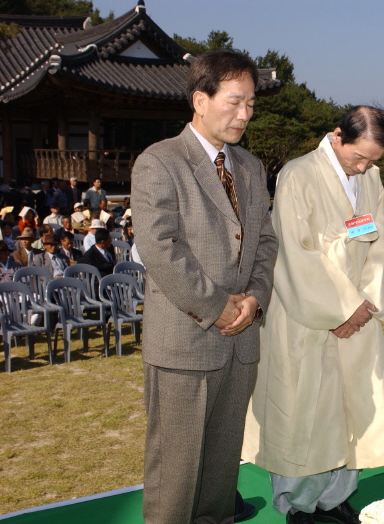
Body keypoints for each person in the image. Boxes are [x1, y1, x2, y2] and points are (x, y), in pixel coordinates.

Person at [131, 49, 278, 524]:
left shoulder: (251, 168)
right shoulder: (161, 162)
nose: (245, 114)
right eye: (235, 102)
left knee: (219, 471)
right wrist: (218, 306)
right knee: (175, 474)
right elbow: (161, 248)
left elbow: (266, 242)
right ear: (200, 99)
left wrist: (254, 299)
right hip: (185, 343)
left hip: (241, 343)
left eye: (251, 104)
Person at [242, 106, 384, 524]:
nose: (363, 167)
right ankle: (299, 503)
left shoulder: (370, 178)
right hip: (306, 316)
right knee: (305, 411)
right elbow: (295, 254)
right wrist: (341, 309)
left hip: (360, 317)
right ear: (337, 136)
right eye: (358, 157)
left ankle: (337, 497)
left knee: (355, 407)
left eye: (372, 161)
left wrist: (364, 306)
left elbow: (378, 245)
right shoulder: (298, 174)